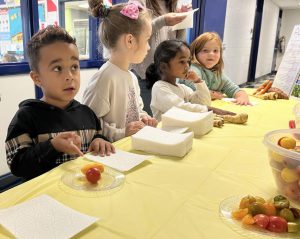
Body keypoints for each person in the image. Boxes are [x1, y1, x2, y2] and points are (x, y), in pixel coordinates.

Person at [5, 25, 114, 180]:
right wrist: (53, 146)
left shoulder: (87, 113)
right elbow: (18, 166)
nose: (69, 76)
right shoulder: (26, 118)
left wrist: (100, 141)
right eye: (57, 68)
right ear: (37, 78)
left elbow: (98, 138)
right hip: (45, 198)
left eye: (74, 67)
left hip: (81, 191)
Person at [83, 0, 157, 142]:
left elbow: (134, 111)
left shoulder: (132, 77)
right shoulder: (105, 78)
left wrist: (143, 117)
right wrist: (121, 133)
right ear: (130, 41)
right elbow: (88, 124)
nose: (148, 47)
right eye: (147, 39)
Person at [131, 0, 191, 115]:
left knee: (170, 118)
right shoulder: (138, 2)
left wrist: (182, 22)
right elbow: (136, 34)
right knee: (151, 121)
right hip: (146, 75)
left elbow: (179, 44)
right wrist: (163, 21)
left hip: (168, 75)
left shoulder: (173, 4)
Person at [146, 39, 211, 121]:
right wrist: (208, 109)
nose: (187, 66)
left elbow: (204, 103)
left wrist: (198, 81)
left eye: (188, 61)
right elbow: (179, 109)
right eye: (182, 61)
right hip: (166, 132)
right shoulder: (159, 88)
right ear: (163, 66)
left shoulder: (183, 88)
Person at [178, 32, 251, 105]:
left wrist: (242, 96)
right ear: (195, 53)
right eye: (205, 50)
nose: (211, 54)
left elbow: (233, 88)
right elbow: (195, 89)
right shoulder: (192, 69)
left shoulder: (217, 73)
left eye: (215, 51)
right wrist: (212, 94)